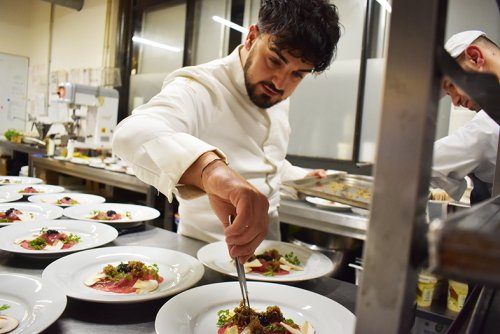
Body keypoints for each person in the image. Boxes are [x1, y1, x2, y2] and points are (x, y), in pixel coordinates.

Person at [112, 0, 341, 261]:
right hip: (207, 253)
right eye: (274, 61)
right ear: (252, 37)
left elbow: (264, 161)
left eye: (298, 75)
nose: (280, 83)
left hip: (271, 254)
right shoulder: (202, 86)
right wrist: (211, 171)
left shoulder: (274, 93)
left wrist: (303, 177)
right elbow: (133, 132)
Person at [431, 30, 500, 204]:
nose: (455, 102)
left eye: (452, 85)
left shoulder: (488, 126)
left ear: (475, 57)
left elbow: (423, 165)